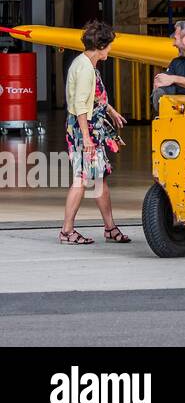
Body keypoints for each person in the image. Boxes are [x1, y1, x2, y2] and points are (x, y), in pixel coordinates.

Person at [60, 20, 129, 246]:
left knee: (99, 178)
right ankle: (67, 231)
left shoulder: (86, 63)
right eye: (108, 45)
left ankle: (110, 227)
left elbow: (95, 97)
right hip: (84, 130)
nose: (110, 49)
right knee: (81, 178)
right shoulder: (85, 69)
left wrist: (111, 111)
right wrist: (87, 139)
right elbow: (81, 105)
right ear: (101, 46)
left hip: (90, 127)